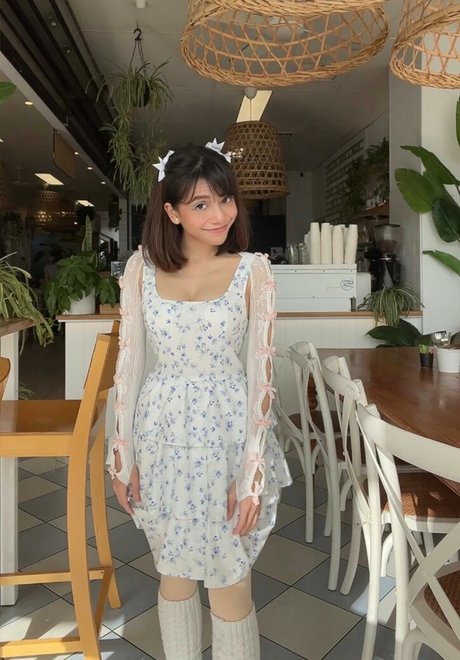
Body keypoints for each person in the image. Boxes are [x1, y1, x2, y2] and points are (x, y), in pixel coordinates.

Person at [107, 140, 291, 659]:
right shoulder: (140, 270)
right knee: (173, 574)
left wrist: (251, 472)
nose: (220, 214)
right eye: (201, 204)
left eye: (226, 199)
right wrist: (122, 456)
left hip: (228, 434)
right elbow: (129, 366)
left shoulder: (253, 270)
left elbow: (261, 375)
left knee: (230, 580)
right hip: (160, 434)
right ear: (172, 212)